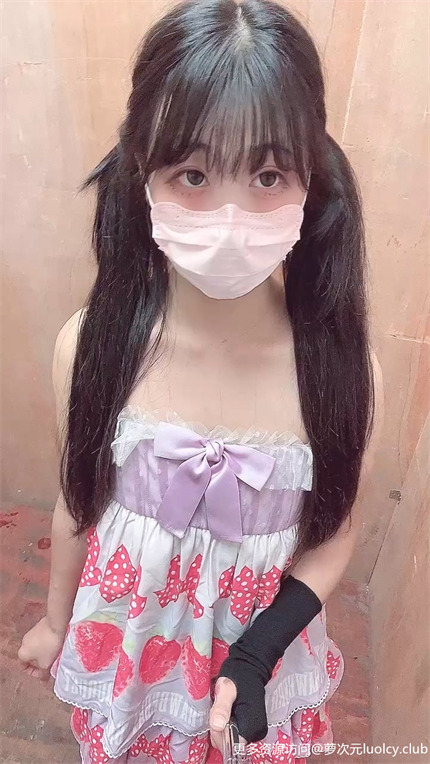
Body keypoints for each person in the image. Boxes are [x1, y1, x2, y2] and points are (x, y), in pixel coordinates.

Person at [17, 0, 384, 762]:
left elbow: (337, 528)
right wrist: (56, 621)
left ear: (312, 179)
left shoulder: (344, 375)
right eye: (192, 173)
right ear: (142, 172)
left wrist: (259, 652)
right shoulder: (91, 350)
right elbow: (77, 502)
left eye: (268, 174)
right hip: (130, 662)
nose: (229, 216)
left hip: (261, 678)